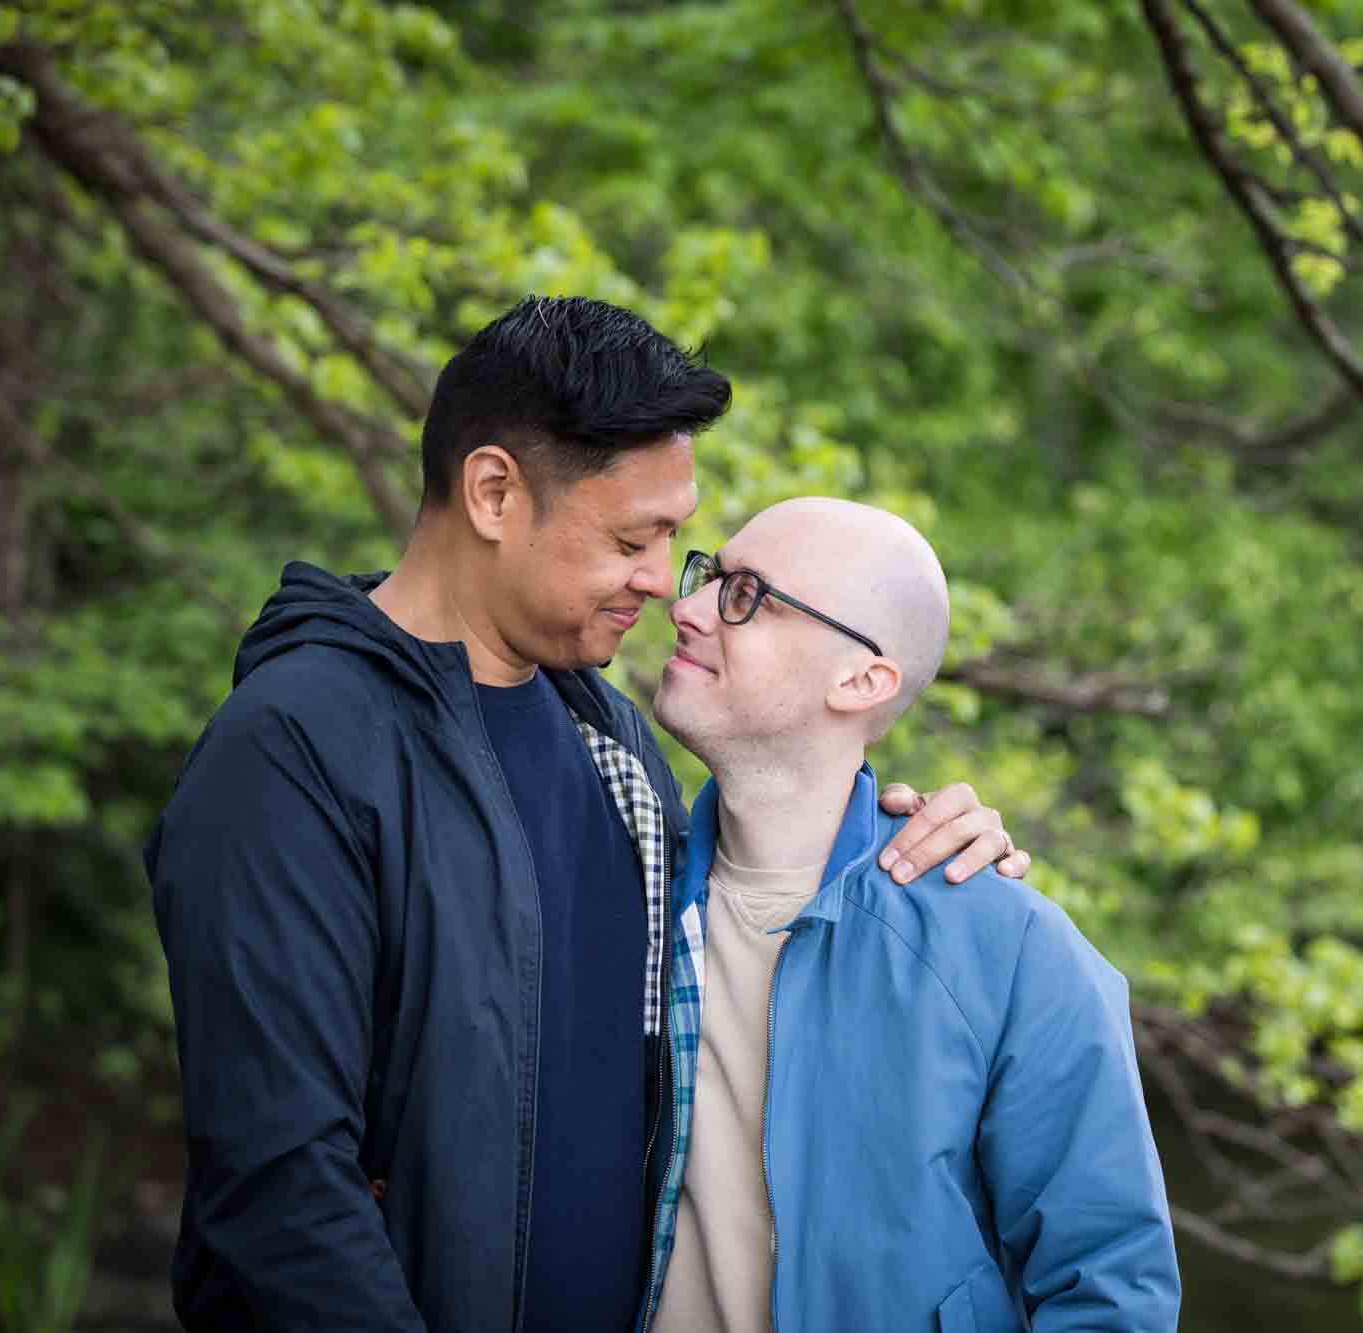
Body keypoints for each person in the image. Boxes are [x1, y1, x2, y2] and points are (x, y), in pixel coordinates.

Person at [145, 296, 1030, 1331]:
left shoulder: (608, 737)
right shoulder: (293, 749)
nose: (662, 584)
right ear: (491, 492)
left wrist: (916, 841)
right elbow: (279, 1183)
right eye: (632, 538)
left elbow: (747, 944)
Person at [644, 497, 1181, 1331]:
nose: (686, 607)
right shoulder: (623, 886)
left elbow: (1113, 1294)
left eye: (745, 593)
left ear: (862, 678)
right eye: (708, 575)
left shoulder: (1015, 953)